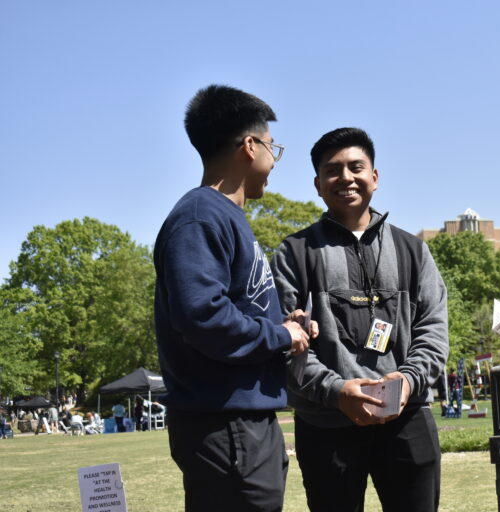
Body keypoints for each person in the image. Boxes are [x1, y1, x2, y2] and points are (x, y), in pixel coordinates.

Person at [272, 127, 449, 512]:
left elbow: (433, 330)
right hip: (326, 424)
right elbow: (285, 344)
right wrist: (336, 392)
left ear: (375, 177)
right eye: (332, 170)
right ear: (317, 184)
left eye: (356, 167)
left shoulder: (412, 250)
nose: (346, 178)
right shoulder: (294, 254)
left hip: (408, 418)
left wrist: (408, 380)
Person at [153, 84, 311, 512]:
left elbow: (237, 307)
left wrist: (287, 323)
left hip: (240, 423)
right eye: (272, 147)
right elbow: (202, 316)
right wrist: (280, 335)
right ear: (250, 145)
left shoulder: (223, 216)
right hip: (225, 424)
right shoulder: (200, 217)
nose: (273, 161)